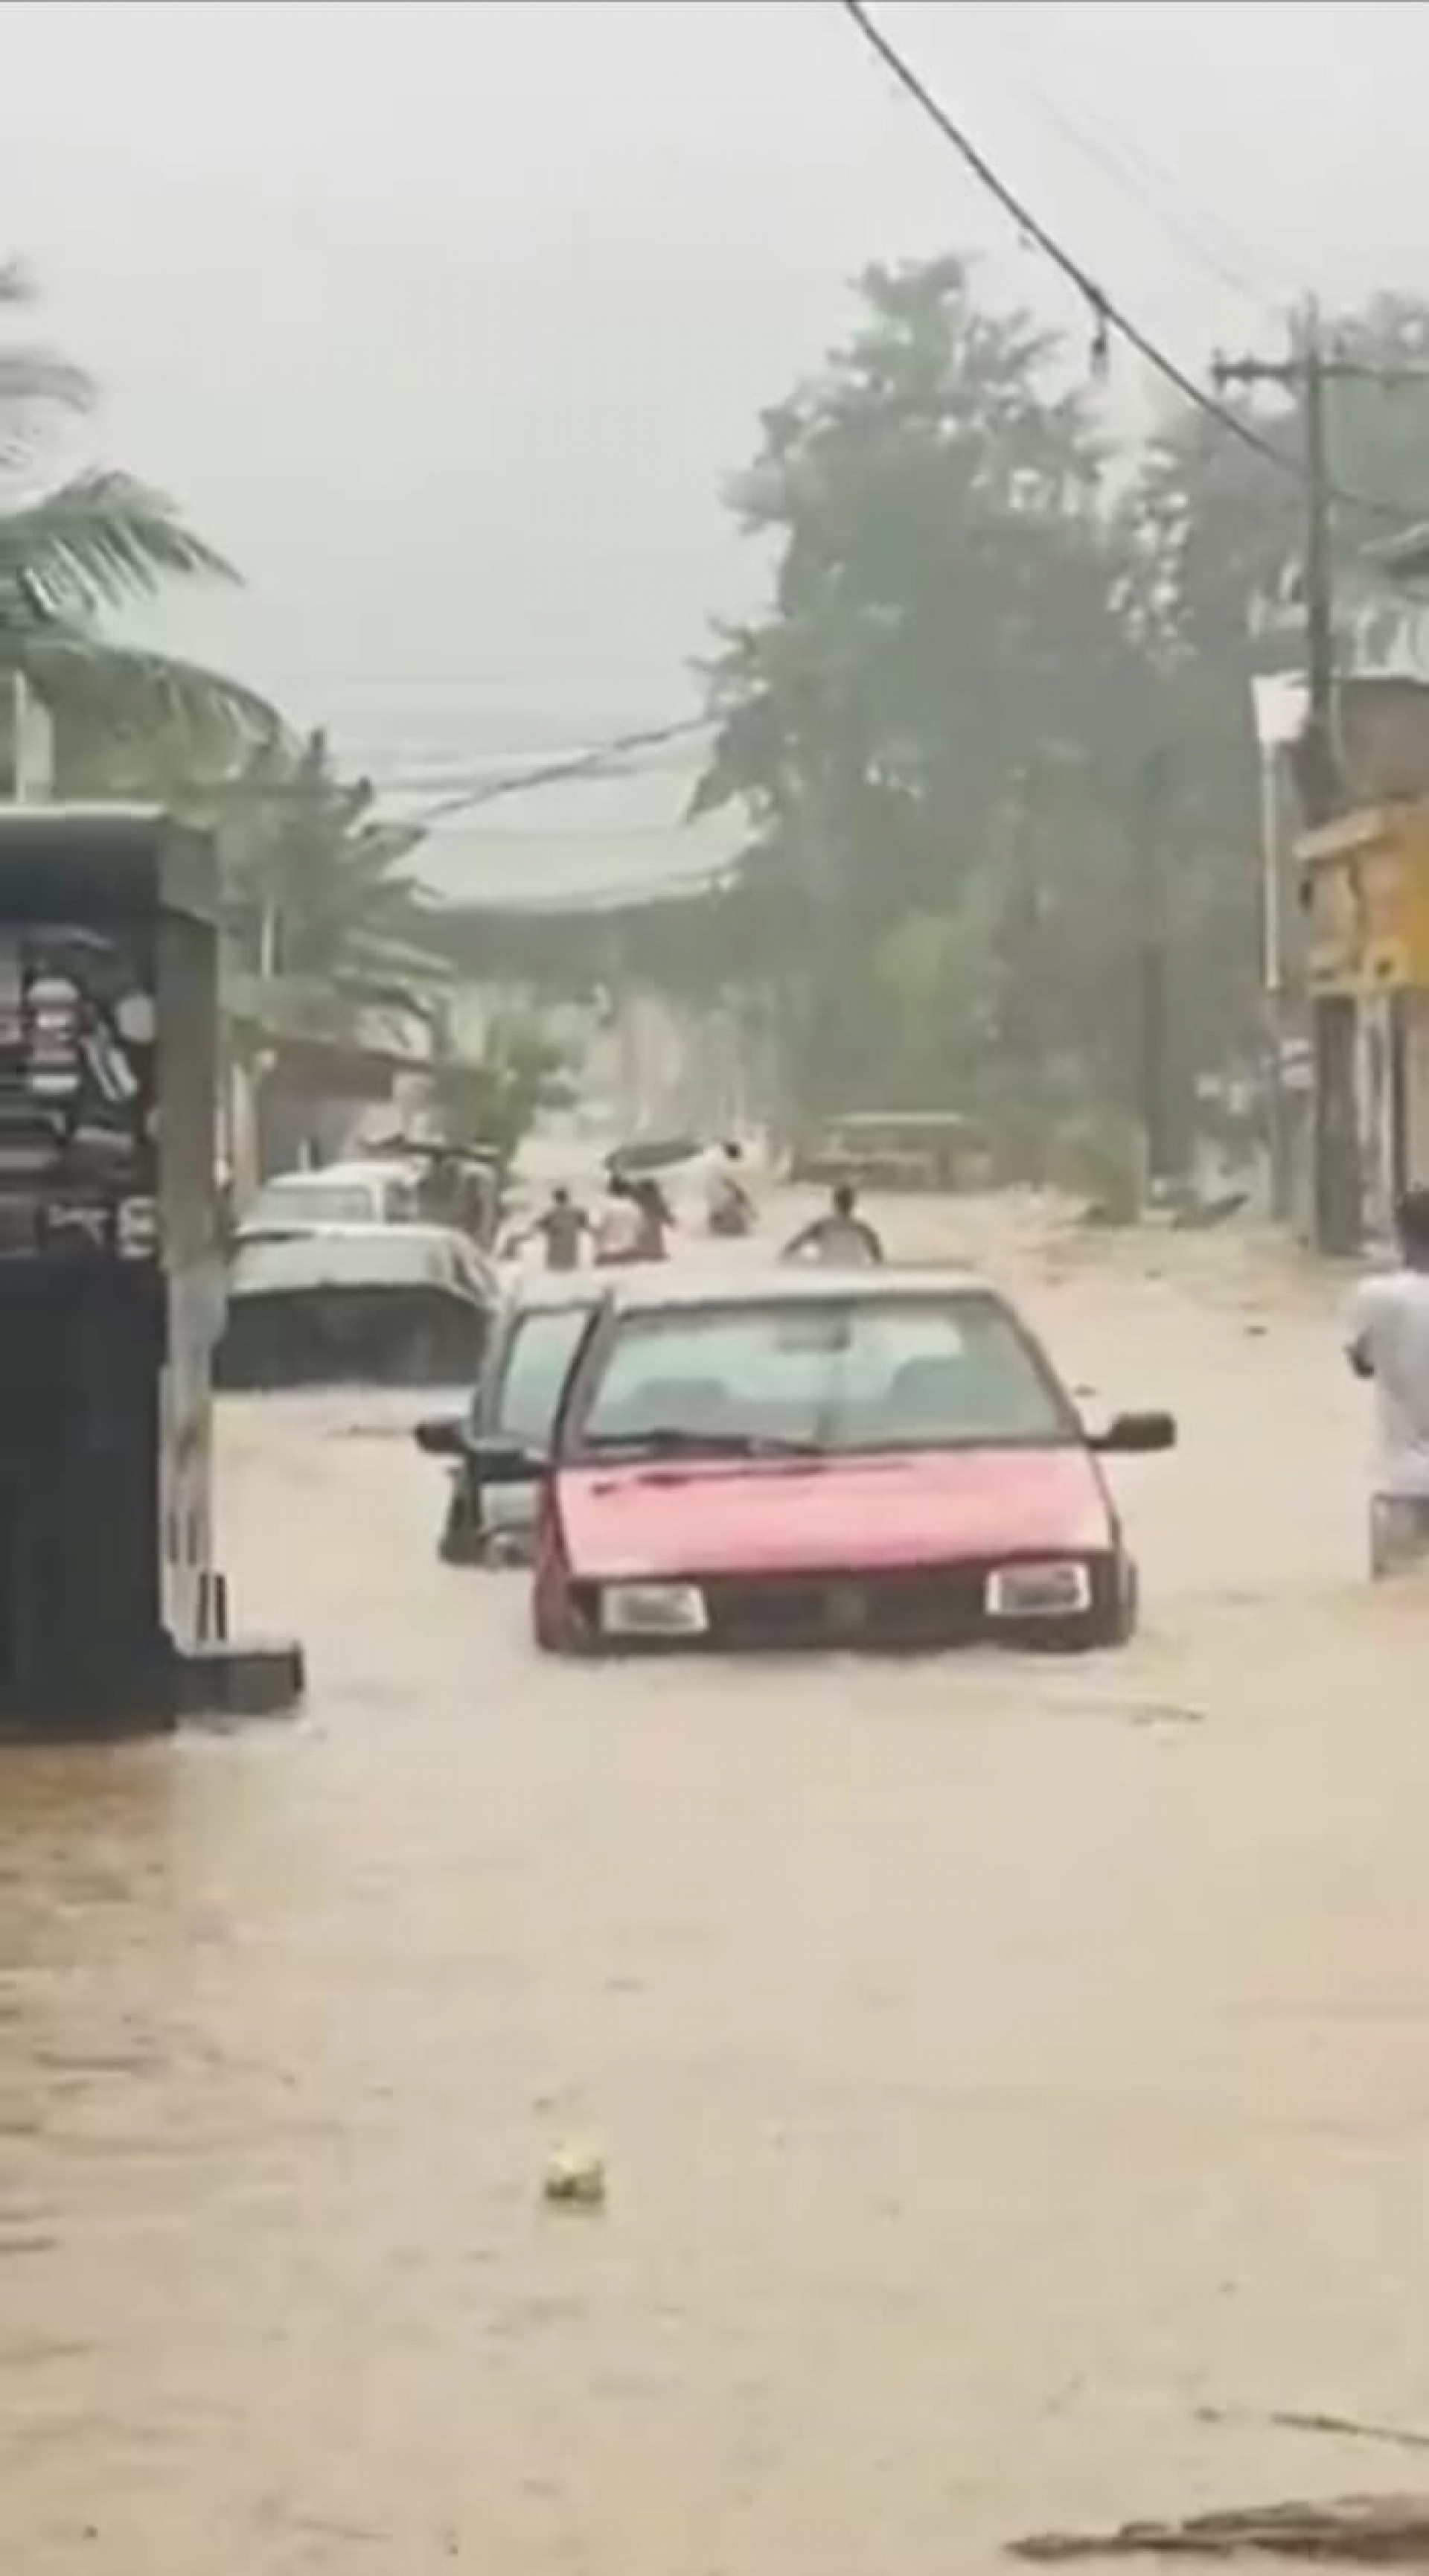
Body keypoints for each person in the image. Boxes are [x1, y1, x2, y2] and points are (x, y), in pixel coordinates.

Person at [1346, 1185, 1429, 1577]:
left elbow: (1361, 1365)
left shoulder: (1375, 1297)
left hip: (1401, 1484)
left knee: (1400, 1597)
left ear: (1402, 1236)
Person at [782, 1181, 884, 1267]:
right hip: (853, 1269)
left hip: (827, 1269)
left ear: (835, 1202)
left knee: (804, 1258)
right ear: (853, 1203)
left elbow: (793, 1245)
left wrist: (781, 1260)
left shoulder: (822, 1225)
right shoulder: (862, 1227)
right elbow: (878, 1256)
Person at [592, 1172, 644, 1267]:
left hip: (607, 1255)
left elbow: (596, 1229)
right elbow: (640, 1230)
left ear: (610, 1189)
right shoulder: (635, 1207)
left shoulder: (603, 1206)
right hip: (629, 1254)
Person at [706, 1140, 755, 1239]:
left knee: (727, 1212)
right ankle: (720, 1222)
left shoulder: (716, 1161)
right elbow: (736, 1189)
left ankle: (718, 1221)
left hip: (717, 1197)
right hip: (723, 1198)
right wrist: (750, 1208)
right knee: (740, 1228)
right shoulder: (727, 1167)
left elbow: (734, 1188)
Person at [630, 1174, 674, 1262]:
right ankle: (654, 1253)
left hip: (643, 1220)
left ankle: (648, 1252)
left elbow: (633, 1197)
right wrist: (669, 1220)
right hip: (652, 1220)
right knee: (654, 1236)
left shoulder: (639, 1195)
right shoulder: (654, 1197)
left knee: (645, 1236)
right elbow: (662, 1209)